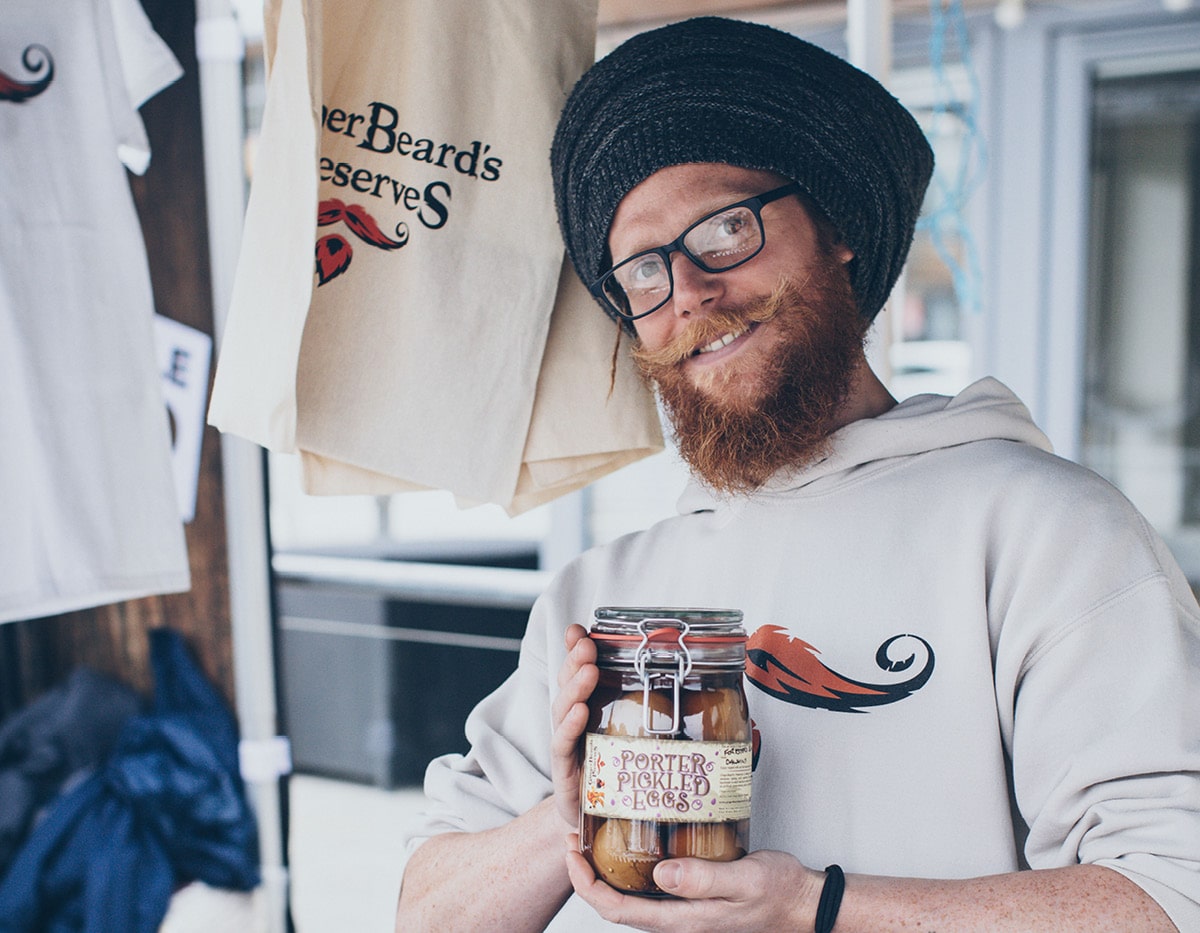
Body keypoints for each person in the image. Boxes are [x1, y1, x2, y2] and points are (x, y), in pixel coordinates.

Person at [395, 17, 1200, 932]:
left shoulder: (1044, 530)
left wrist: (815, 906)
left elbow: (1168, 895)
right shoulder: (607, 598)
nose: (688, 293)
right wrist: (569, 814)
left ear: (840, 226)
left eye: (725, 229)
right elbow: (430, 913)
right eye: (642, 273)